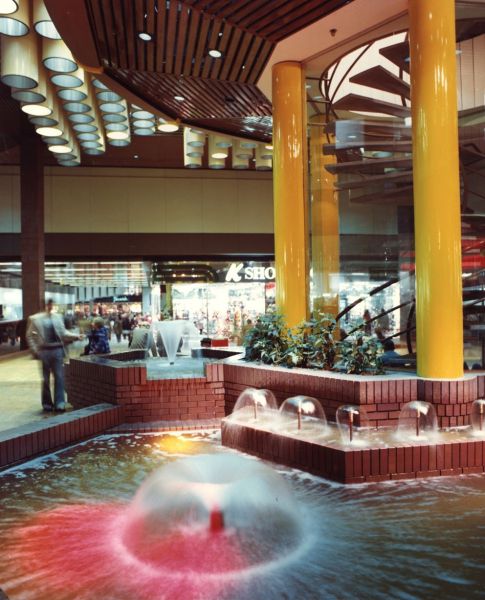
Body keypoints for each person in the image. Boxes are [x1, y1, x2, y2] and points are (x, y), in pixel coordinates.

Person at [26, 299, 83, 412]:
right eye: (48, 304)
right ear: (44, 305)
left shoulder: (58, 317)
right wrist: (35, 350)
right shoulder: (35, 318)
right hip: (44, 351)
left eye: (52, 304)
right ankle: (47, 403)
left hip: (57, 350)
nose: (50, 306)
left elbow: (63, 333)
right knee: (46, 379)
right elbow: (29, 335)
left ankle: (59, 403)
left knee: (59, 377)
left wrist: (76, 336)